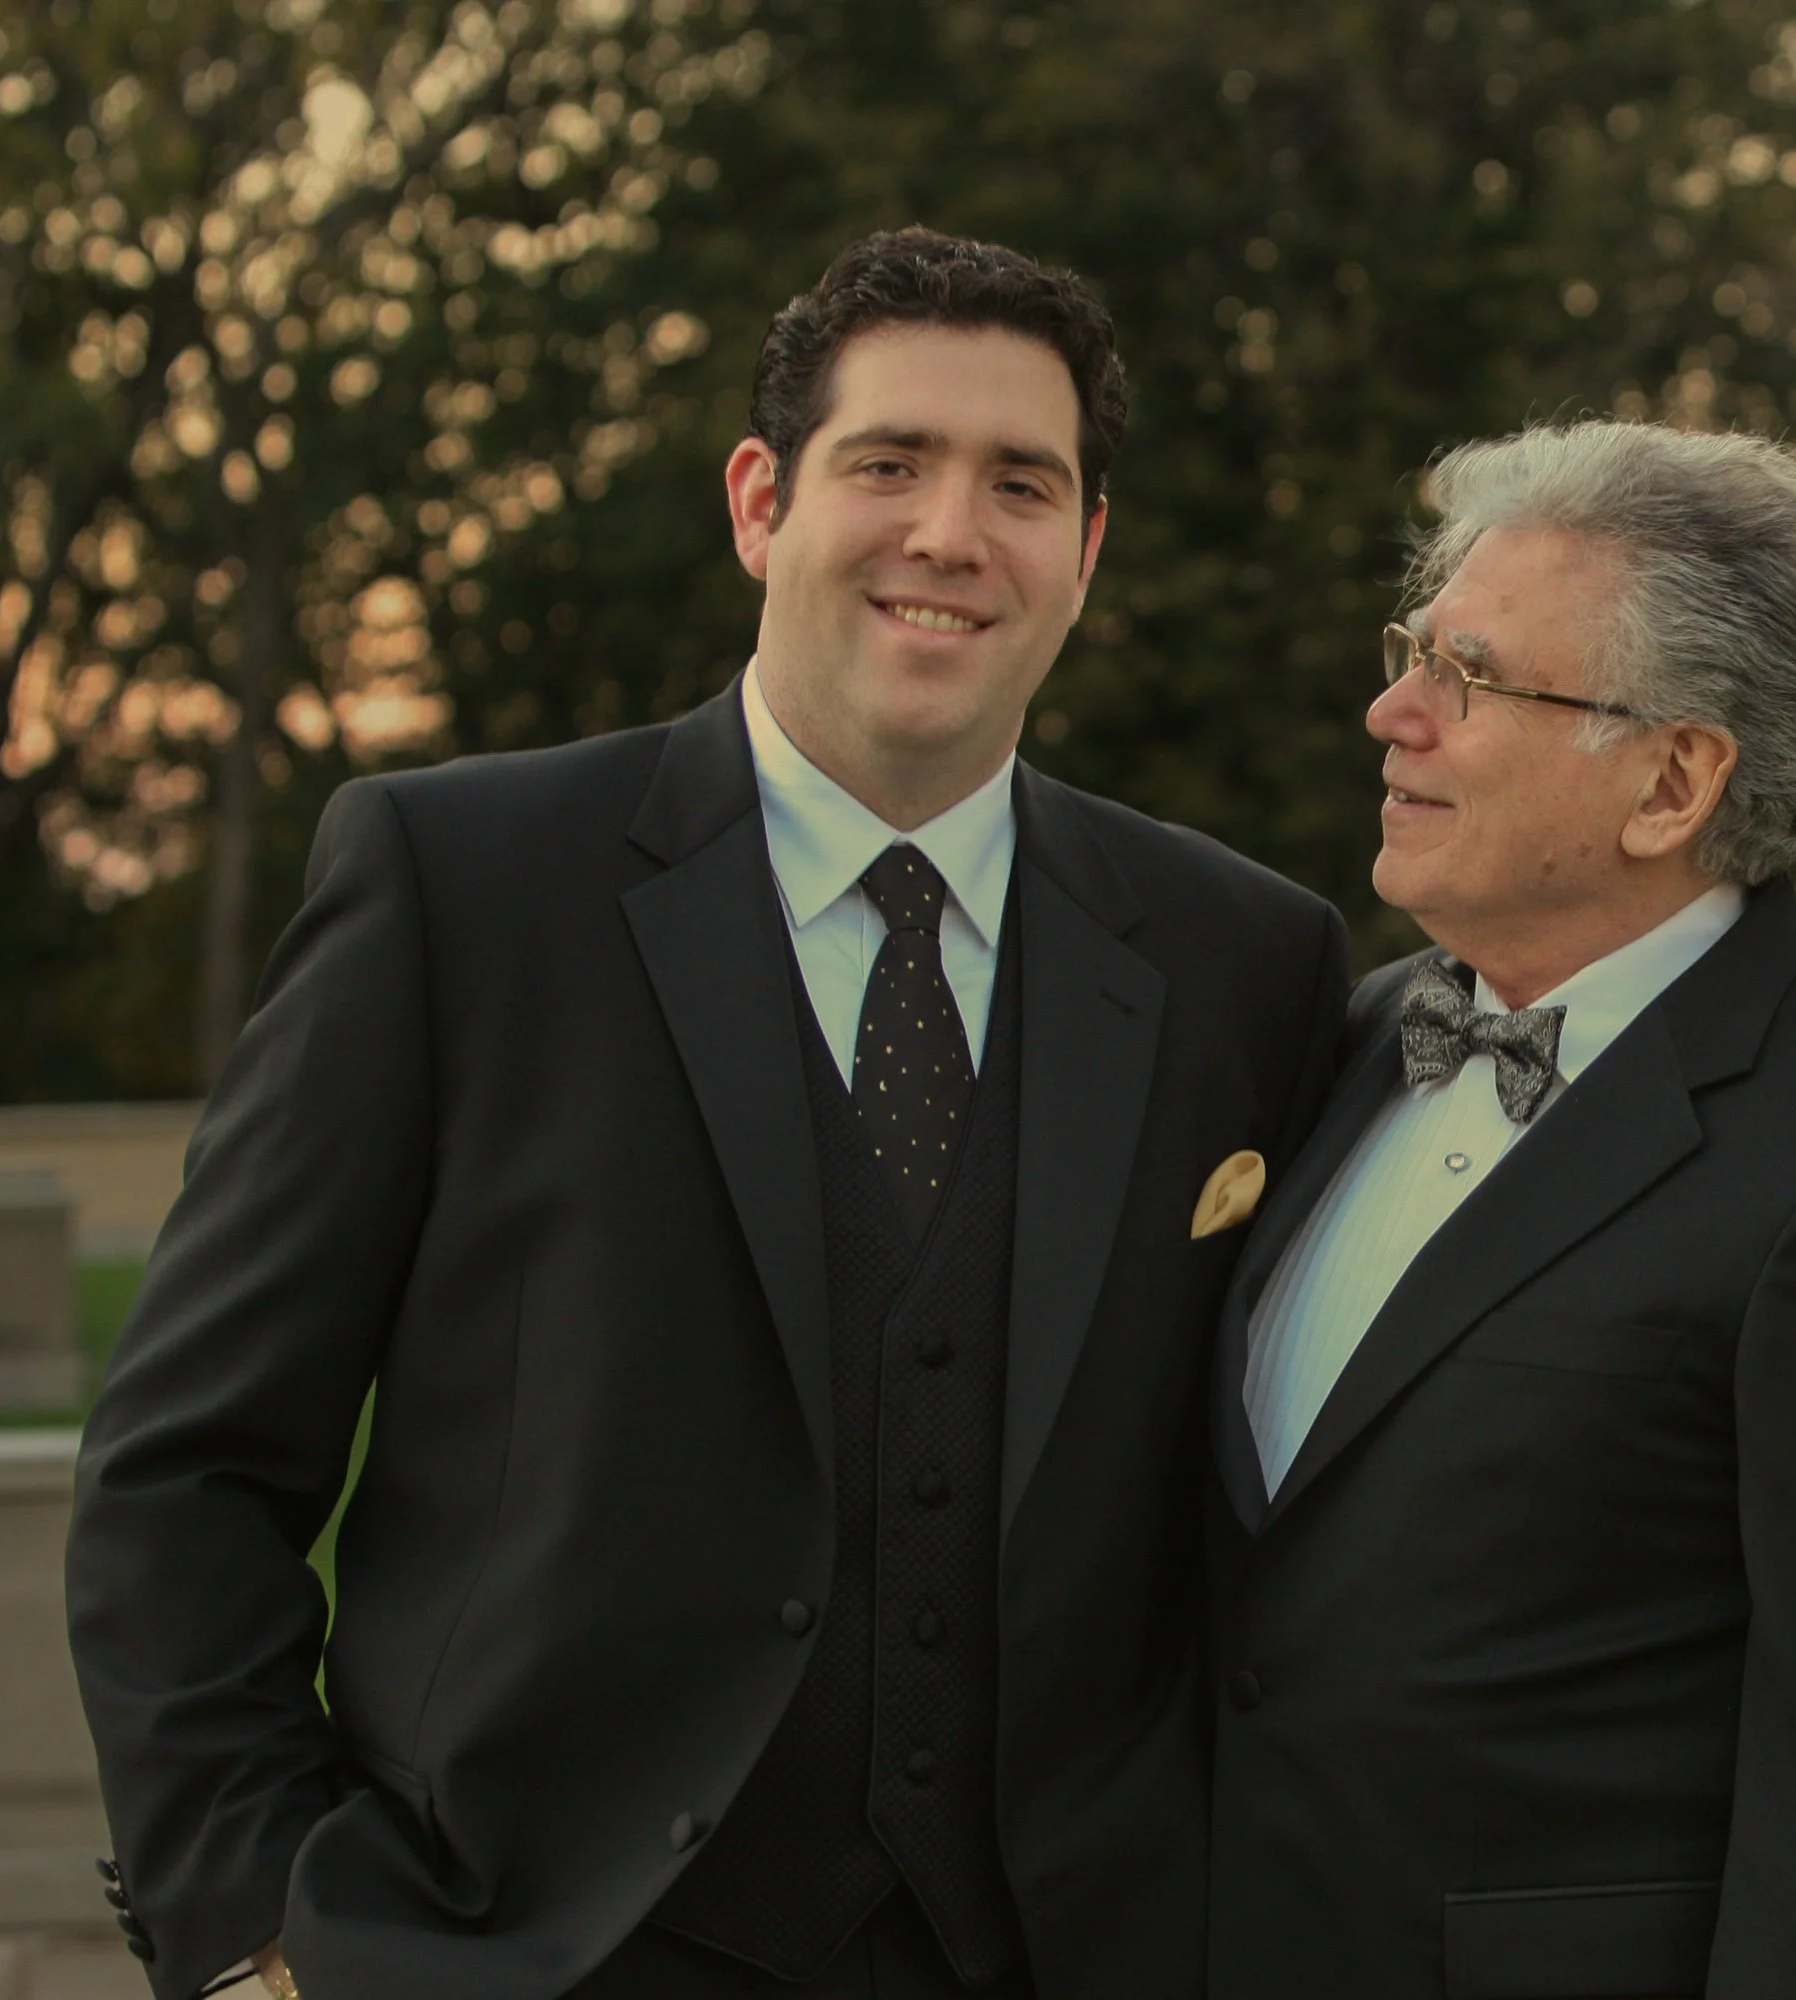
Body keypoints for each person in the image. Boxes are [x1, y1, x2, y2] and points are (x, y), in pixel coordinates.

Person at [67, 227, 1348, 2000]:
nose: (950, 534)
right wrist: (252, 1940)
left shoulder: (1246, 962)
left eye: (1022, 485)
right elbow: (189, 1469)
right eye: (887, 463)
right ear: (760, 501)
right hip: (525, 1951)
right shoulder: (459, 888)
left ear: (1088, 550)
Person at [1206, 421, 1796, 1999]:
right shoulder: (1347, 1032)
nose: (1392, 712)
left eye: (1474, 677)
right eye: (1413, 652)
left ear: (1674, 781)